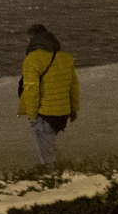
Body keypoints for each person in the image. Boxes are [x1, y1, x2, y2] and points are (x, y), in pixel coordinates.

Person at [17, 23, 79, 167]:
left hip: (45, 114)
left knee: (47, 158)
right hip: (62, 114)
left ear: (32, 40)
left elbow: (32, 89)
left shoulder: (32, 60)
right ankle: (66, 171)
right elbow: (73, 86)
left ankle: (55, 181)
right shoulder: (66, 58)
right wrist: (73, 109)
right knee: (50, 147)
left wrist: (32, 115)